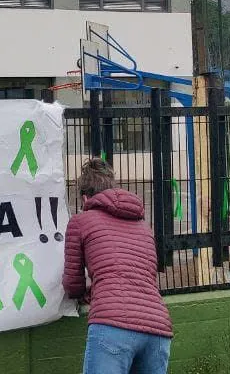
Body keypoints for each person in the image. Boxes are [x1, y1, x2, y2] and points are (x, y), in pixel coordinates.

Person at [63, 158, 172, 373]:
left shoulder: (80, 222)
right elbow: (142, 273)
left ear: (85, 197)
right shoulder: (143, 226)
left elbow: (72, 283)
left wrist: (86, 293)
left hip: (113, 326)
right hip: (158, 328)